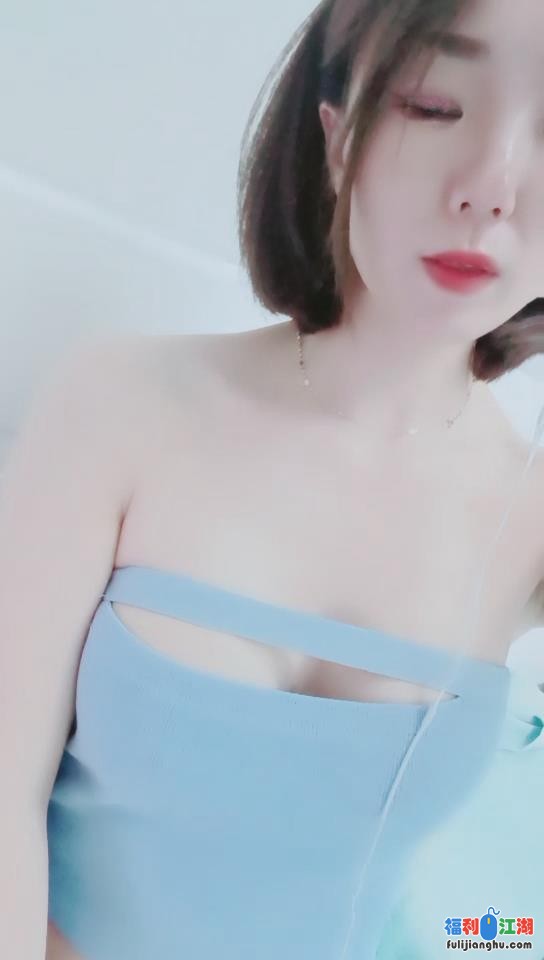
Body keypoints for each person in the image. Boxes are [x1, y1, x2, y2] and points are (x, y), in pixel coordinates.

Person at [1, 0, 544, 957]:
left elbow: (498, 924)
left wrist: (496, 939)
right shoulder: (123, 400)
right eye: (431, 104)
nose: (490, 188)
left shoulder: (528, 516)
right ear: (337, 138)